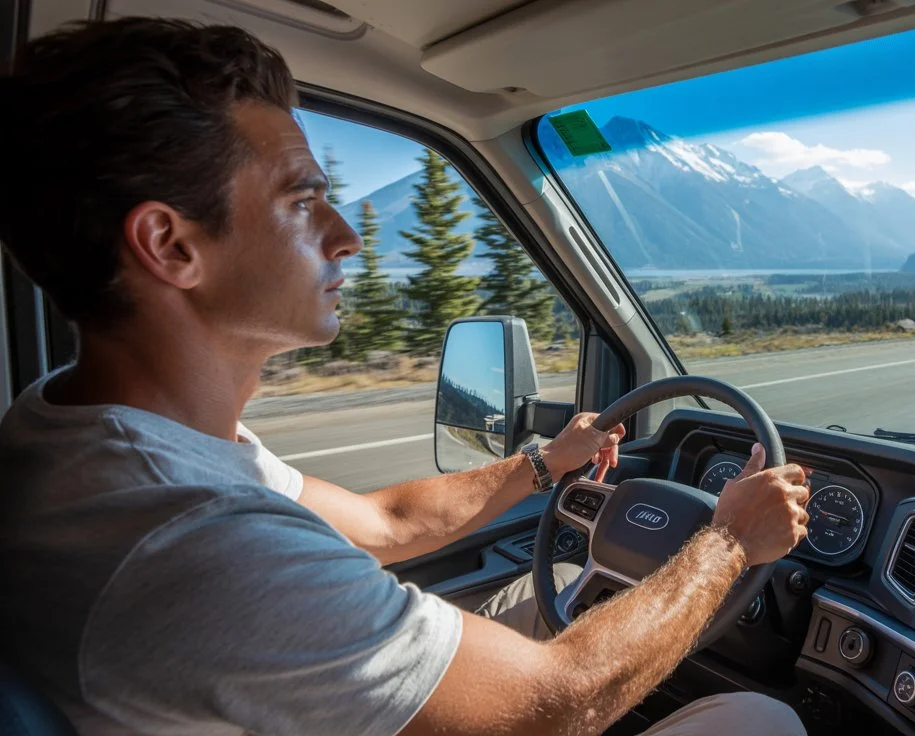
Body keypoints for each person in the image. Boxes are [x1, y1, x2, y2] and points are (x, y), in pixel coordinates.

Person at [0, 18, 812, 736]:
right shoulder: (200, 541)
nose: (346, 235)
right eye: (301, 199)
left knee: (561, 589)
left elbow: (383, 523)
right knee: (761, 716)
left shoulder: (85, 431)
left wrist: (545, 464)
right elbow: (556, 706)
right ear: (172, 246)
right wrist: (730, 540)